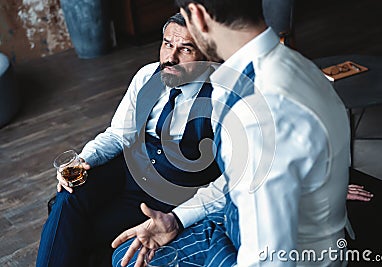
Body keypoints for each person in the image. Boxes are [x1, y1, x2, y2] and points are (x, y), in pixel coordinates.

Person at [111, 1, 361, 266]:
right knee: (125, 256)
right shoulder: (292, 63)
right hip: (235, 222)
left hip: (294, 256)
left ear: (198, 15)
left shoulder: (260, 111)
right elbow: (238, 177)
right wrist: (177, 218)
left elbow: (269, 258)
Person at [36, 13, 222, 267]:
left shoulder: (221, 95)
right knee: (68, 196)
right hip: (129, 179)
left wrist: (180, 217)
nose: (170, 58)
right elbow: (118, 134)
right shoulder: (147, 77)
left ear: (207, 53)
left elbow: (229, 180)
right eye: (167, 44)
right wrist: (83, 159)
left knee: (89, 240)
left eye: (185, 49)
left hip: (174, 199)